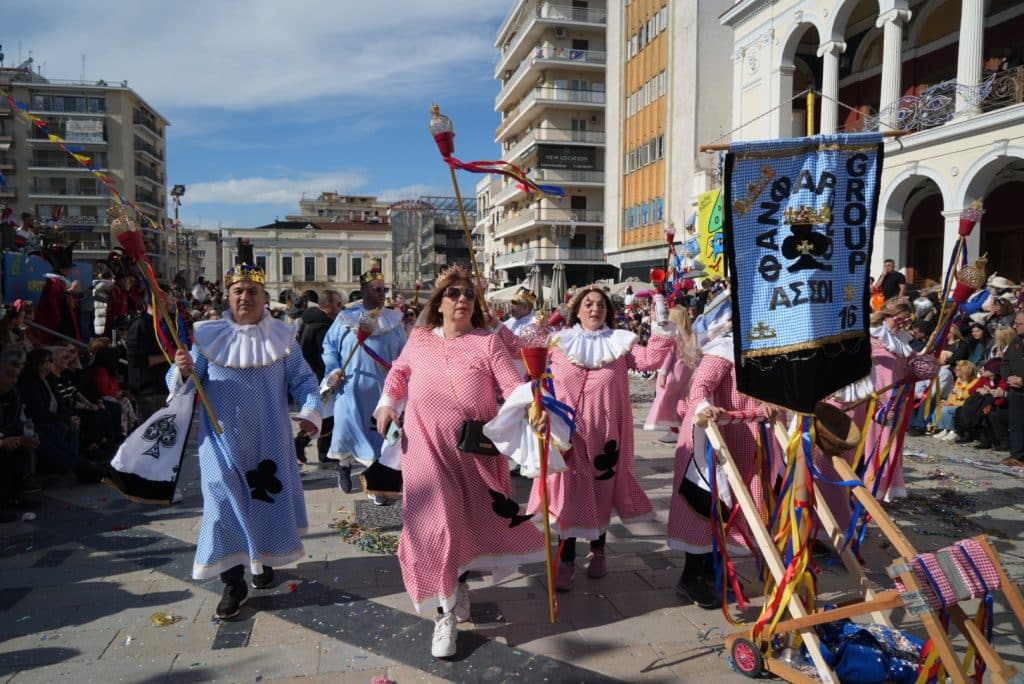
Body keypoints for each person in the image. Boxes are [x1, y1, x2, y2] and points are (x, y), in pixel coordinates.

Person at [373, 264, 544, 659]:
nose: (462, 299)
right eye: (454, 293)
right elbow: (399, 373)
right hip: (424, 451)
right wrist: (387, 403)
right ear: (439, 303)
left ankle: (459, 581)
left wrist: (532, 405)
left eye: (468, 294)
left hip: (473, 454)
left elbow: (511, 387)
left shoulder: (487, 343)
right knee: (439, 526)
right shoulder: (419, 338)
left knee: (464, 523)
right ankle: (445, 614)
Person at [171, 263, 323, 621]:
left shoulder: (283, 338)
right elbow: (188, 385)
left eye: (252, 291)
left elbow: (304, 380)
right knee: (222, 508)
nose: (244, 297)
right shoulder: (207, 338)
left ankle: (263, 558)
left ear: (263, 297)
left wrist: (311, 410)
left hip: (270, 441)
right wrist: (182, 370)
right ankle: (233, 583)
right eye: (238, 291)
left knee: (264, 504)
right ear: (228, 296)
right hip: (221, 443)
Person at [527, 285, 676, 591]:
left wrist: (660, 324)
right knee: (567, 492)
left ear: (608, 312)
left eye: (601, 305)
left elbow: (651, 360)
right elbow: (534, 372)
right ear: (577, 310)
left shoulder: (621, 342)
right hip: (566, 434)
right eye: (588, 304)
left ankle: (598, 550)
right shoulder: (558, 342)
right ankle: (566, 557)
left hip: (606, 434)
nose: (595, 309)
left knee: (601, 490)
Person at [666, 290, 774, 608]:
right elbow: (700, 387)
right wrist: (706, 407)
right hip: (713, 440)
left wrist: (771, 405)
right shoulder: (722, 351)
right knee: (705, 504)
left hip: (746, 441)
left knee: (735, 505)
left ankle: (716, 568)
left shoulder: (759, 353)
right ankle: (691, 577)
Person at [323, 265, 406, 502]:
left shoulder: (393, 320)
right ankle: (344, 464)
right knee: (347, 431)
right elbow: (329, 348)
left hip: (382, 391)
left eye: (383, 289)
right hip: (350, 388)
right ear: (364, 291)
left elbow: (405, 353)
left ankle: (376, 485)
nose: (382, 294)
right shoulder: (346, 318)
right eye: (376, 289)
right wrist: (333, 370)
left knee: (380, 438)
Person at [294, 289, 342, 464]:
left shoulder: (312, 322)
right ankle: (309, 446)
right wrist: (330, 376)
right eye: (338, 304)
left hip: (316, 375)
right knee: (326, 417)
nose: (341, 307)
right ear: (328, 306)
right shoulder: (322, 326)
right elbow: (324, 355)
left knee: (323, 415)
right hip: (321, 377)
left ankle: (313, 447)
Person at [644, 305, 699, 440]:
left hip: (671, 373)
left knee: (666, 402)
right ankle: (684, 428)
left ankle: (674, 431)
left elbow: (668, 356)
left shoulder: (673, 336)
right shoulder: (692, 336)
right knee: (681, 402)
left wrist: (662, 373)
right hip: (686, 375)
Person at [125, 292, 172, 422]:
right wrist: (169, 356)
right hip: (149, 392)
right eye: (169, 299)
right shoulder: (140, 325)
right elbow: (137, 360)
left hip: (163, 387)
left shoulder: (164, 325)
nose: (171, 302)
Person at [1002, 309, 1024, 461]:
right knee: (1016, 424)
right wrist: (1008, 377)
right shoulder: (1016, 340)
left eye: (1018, 324)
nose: (1015, 326)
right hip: (1015, 390)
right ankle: (1017, 456)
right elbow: (1005, 362)